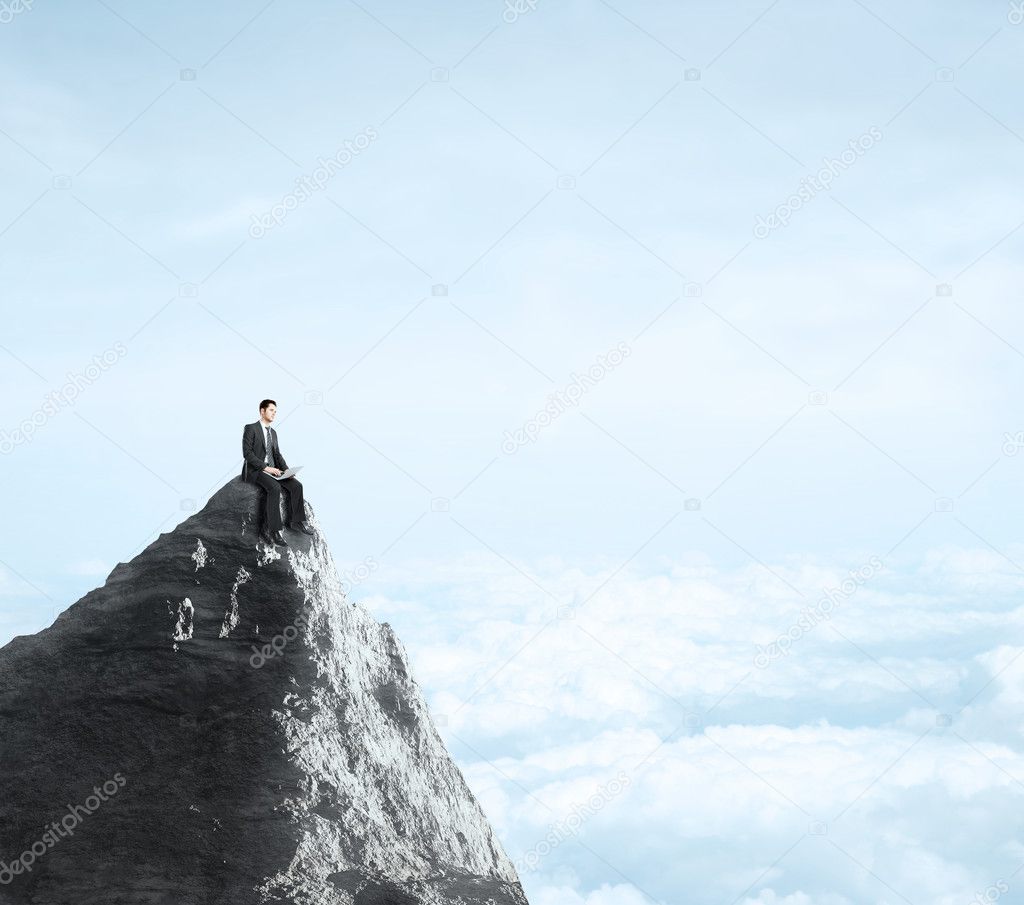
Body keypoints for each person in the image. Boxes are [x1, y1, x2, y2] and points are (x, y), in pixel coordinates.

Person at [241, 399, 312, 545]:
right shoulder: (250, 428)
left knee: (296, 485)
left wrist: (286, 470)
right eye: (271, 410)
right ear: (262, 411)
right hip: (257, 470)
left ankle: (297, 522)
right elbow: (247, 454)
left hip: (274, 470)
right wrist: (266, 468)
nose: (274, 413)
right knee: (274, 488)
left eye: (275, 411)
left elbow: (277, 455)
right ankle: (274, 531)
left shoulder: (273, 433)